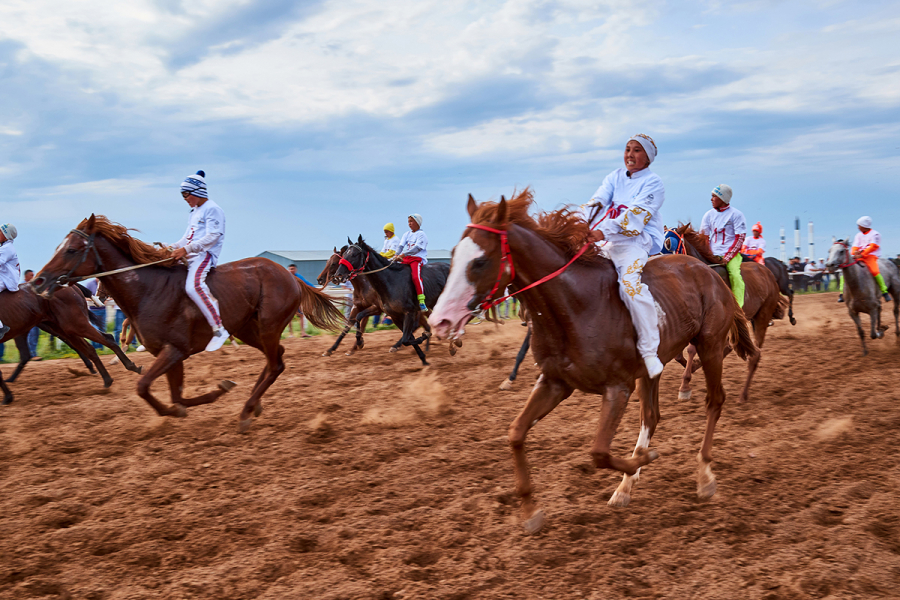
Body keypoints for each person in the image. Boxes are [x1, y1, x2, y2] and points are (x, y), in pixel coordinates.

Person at [580, 133, 665, 379]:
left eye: (637, 150)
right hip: (607, 241)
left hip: (635, 242)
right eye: (628, 149)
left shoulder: (653, 183)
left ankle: (650, 352)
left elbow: (635, 218)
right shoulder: (614, 177)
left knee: (630, 287)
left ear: (647, 157)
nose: (630, 154)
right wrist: (577, 224)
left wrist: (600, 230)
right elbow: (594, 204)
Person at [170, 170, 230, 351]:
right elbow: (186, 238)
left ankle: (219, 329)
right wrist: (170, 247)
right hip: (191, 254)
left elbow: (212, 237)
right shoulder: (194, 211)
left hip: (204, 256)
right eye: (182, 195)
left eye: (185, 194)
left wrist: (186, 249)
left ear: (197, 191)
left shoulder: (212, 209)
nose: (184, 198)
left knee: (193, 287)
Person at [700, 184, 747, 307]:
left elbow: (740, 238)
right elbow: (703, 237)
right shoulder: (708, 215)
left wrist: (728, 257)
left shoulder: (736, 215)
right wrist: (707, 253)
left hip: (731, 256)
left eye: (714, 196)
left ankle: (738, 307)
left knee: (735, 275)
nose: (711, 199)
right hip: (712, 254)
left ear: (723, 199)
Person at [839, 215, 891, 303]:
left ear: (864, 226)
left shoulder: (875, 234)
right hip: (858, 256)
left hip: (870, 256)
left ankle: (884, 291)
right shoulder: (858, 235)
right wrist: (855, 252)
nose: (858, 227)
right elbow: (855, 246)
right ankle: (841, 294)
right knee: (846, 271)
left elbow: (873, 247)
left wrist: (862, 254)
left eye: (859, 225)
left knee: (875, 271)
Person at [395, 214, 429, 311]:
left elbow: (416, 249)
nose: (409, 223)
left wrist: (402, 255)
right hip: (406, 258)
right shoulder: (406, 234)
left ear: (417, 222)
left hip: (416, 259)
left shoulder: (422, 235)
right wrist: (396, 255)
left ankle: (421, 301)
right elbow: (401, 246)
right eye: (409, 221)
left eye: (411, 221)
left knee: (415, 276)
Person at [0, 223, 21, 339]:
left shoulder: (7, 249)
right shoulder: (5, 247)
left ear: (6, 235)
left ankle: (0, 327)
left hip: (6, 279)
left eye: (0, 232)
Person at [287, 264, 312, 338]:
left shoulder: (298, 277)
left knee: (301, 315)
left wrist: (314, 288)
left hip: (297, 299)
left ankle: (303, 333)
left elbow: (305, 282)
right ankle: (291, 334)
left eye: (293, 269)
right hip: (289, 300)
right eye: (290, 269)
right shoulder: (287, 277)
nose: (291, 270)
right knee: (289, 317)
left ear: (295, 269)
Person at [21, 270, 41, 359]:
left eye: (33, 275)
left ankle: (33, 353)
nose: (33, 277)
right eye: (31, 275)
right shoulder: (21, 287)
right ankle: (31, 354)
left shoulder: (34, 287)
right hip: (25, 316)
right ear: (26, 276)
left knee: (35, 334)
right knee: (31, 334)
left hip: (35, 315)